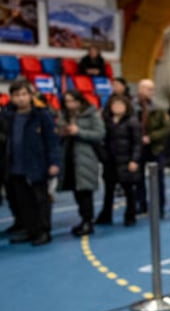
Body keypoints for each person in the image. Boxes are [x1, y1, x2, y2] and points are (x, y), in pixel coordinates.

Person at [0, 79, 60, 246]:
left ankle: (43, 231)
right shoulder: (7, 116)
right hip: (14, 165)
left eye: (24, 94)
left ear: (31, 96)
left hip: (37, 165)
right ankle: (30, 230)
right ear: (11, 97)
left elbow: (52, 140)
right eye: (16, 95)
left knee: (40, 200)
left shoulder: (42, 115)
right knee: (23, 201)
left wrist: (54, 162)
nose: (20, 98)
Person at [57, 90, 106, 236]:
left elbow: (99, 134)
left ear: (79, 101)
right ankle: (83, 219)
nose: (69, 104)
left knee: (85, 192)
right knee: (76, 191)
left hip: (85, 157)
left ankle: (88, 221)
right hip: (69, 156)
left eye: (72, 100)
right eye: (67, 101)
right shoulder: (64, 116)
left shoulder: (91, 114)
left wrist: (78, 132)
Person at [96, 95, 141, 226]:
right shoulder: (106, 121)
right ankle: (106, 214)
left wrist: (134, 160)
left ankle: (130, 215)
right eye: (114, 105)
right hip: (110, 161)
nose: (117, 108)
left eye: (120, 105)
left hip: (126, 159)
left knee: (128, 190)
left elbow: (137, 143)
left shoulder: (132, 122)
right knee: (108, 190)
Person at [134, 79, 170, 215]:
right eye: (149, 89)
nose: (152, 92)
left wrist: (151, 137)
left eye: (153, 89)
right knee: (138, 179)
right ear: (140, 89)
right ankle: (141, 205)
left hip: (155, 148)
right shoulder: (131, 106)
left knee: (158, 179)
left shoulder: (159, 107)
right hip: (137, 148)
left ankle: (159, 207)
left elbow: (166, 128)